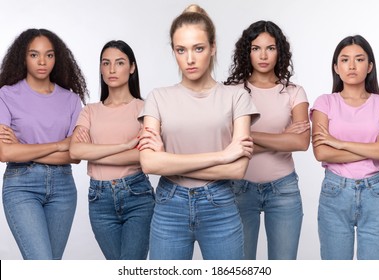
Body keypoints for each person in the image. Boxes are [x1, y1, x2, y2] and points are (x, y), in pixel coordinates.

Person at [137, 4, 259, 260]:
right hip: (170, 204)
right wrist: (222, 155)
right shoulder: (157, 98)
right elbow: (149, 163)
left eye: (198, 48)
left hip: (220, 202)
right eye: (181, 50)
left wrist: (168, 162)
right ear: (174, 51)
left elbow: (237, 170)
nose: (189, 59)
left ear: (213, 47)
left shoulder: (236, 96)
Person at [224, 20, 310, 260]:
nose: (263, 55)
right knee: (240, 268)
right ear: (247, 52)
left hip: (284, 189)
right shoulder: (231, 91)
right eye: (256, 48)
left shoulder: (294, 91)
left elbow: (301, 143)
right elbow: (224, 142)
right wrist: (283, 138)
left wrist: (245, 138)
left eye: (270, 48)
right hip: (239, 188)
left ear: (279, 51)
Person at [0, 28, 88, 259]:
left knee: (51, 266)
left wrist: (23, 148)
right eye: (34, 54)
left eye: (49, 55)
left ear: (56, 58)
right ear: (23, 57)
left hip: (63, 188)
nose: (42, 61)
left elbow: (75, 155)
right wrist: (60, 145)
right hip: (21, 186)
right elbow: (5, 152)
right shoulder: (6, 95)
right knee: (42, 263)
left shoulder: (70, 99)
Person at [69, 40, 155, 260]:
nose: (112, 69)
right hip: (100, 198)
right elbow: (77, 152)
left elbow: (145, 156)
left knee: (131, 267)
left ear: (132, 67)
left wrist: (95, 151)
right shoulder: (90, 110)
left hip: (137, 194)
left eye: (119, 62)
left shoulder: (145, 109)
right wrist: (124, 146)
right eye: (106, 63)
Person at [311, 35, 379, 260]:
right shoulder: (325, 102)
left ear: (370, 66)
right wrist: (372, 147)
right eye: (344, 60)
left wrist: (339, 143)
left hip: (377, 193)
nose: (352, 66)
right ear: (336, 67)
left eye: (359, 59)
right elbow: (321, 152)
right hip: (335, 192)